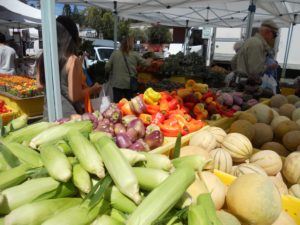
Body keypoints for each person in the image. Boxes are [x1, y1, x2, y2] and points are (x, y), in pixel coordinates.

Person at [37, 16, 101, 119]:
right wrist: (93, 89)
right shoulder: (72, 60)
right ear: (72, 36)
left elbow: (39, 85)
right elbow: (74, 96)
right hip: (68, 117)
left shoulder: (43, 57)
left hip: (48, 114)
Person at [233, 20, 279, 94]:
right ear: (268, 32)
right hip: (248, 86)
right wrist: (268, 67)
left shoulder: (252, 41)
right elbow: (254, 71)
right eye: (274, 35)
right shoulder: (257, 44)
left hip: (243, 82)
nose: (273, 38)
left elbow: (234, 61)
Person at [105, 35, 152, 103]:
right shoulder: (135, 55)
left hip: (117, 84)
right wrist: (150, 60)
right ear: (131, 44)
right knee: (129, 104)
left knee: (118, 104)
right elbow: (147, 64)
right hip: (129, 85)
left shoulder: (115, 54)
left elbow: (107, 68)